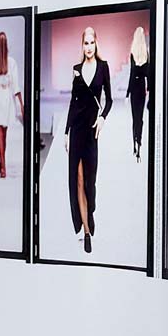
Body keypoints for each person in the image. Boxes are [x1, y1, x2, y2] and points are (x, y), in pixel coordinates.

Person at [67, 24, 112, 253]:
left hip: (92, 132)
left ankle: (90, 211)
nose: (89, 47)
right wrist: (66, 132)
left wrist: (102, 118)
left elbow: (109, 100)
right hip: (76, 130)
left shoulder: (103, 67)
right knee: (78, 180)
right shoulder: (76, 69)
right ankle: (86, 232)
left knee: (90, 184)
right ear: (82, 45)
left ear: (96, 43)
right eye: (85, 43)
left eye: (92, 42)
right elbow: (73, 103)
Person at [0, 28, 23, 178]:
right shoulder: (11, 62)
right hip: (7, 98)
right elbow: (16, 87)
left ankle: (2, 165)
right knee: (5, 135)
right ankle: (3, 165)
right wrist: (21, 105)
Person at [128, 23, 150, 159]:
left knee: (134, 117)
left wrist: (127, 93)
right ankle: (139, 143)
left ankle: (134, 144)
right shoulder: (145, 54)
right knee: (140, 118)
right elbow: (148, 74)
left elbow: (131, 74)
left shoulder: (132, 53)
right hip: (141, 87)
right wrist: (149, 88)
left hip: (134, 87)